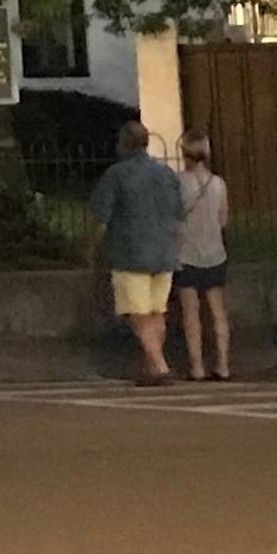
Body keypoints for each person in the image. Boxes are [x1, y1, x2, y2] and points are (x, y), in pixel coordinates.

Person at [84, 118, 185, 386]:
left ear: (123, 145)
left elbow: (100, 218)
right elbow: (178, 213)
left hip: (130, 252)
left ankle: (159, 364)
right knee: (156, 312)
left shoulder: (117, 175)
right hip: (164, 251)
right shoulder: (166, 174)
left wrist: (91, 248)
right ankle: (151, 367)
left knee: (137, 313)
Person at [170, 131, 233, 381]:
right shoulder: (218, 183)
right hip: (215, 252)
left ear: (184, 153)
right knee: (218, 311)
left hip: (186, 253)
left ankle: (196, 366)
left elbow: (172, 215)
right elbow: (224, 219)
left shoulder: (178, 182)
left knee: (191, 313)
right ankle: (223, 364)